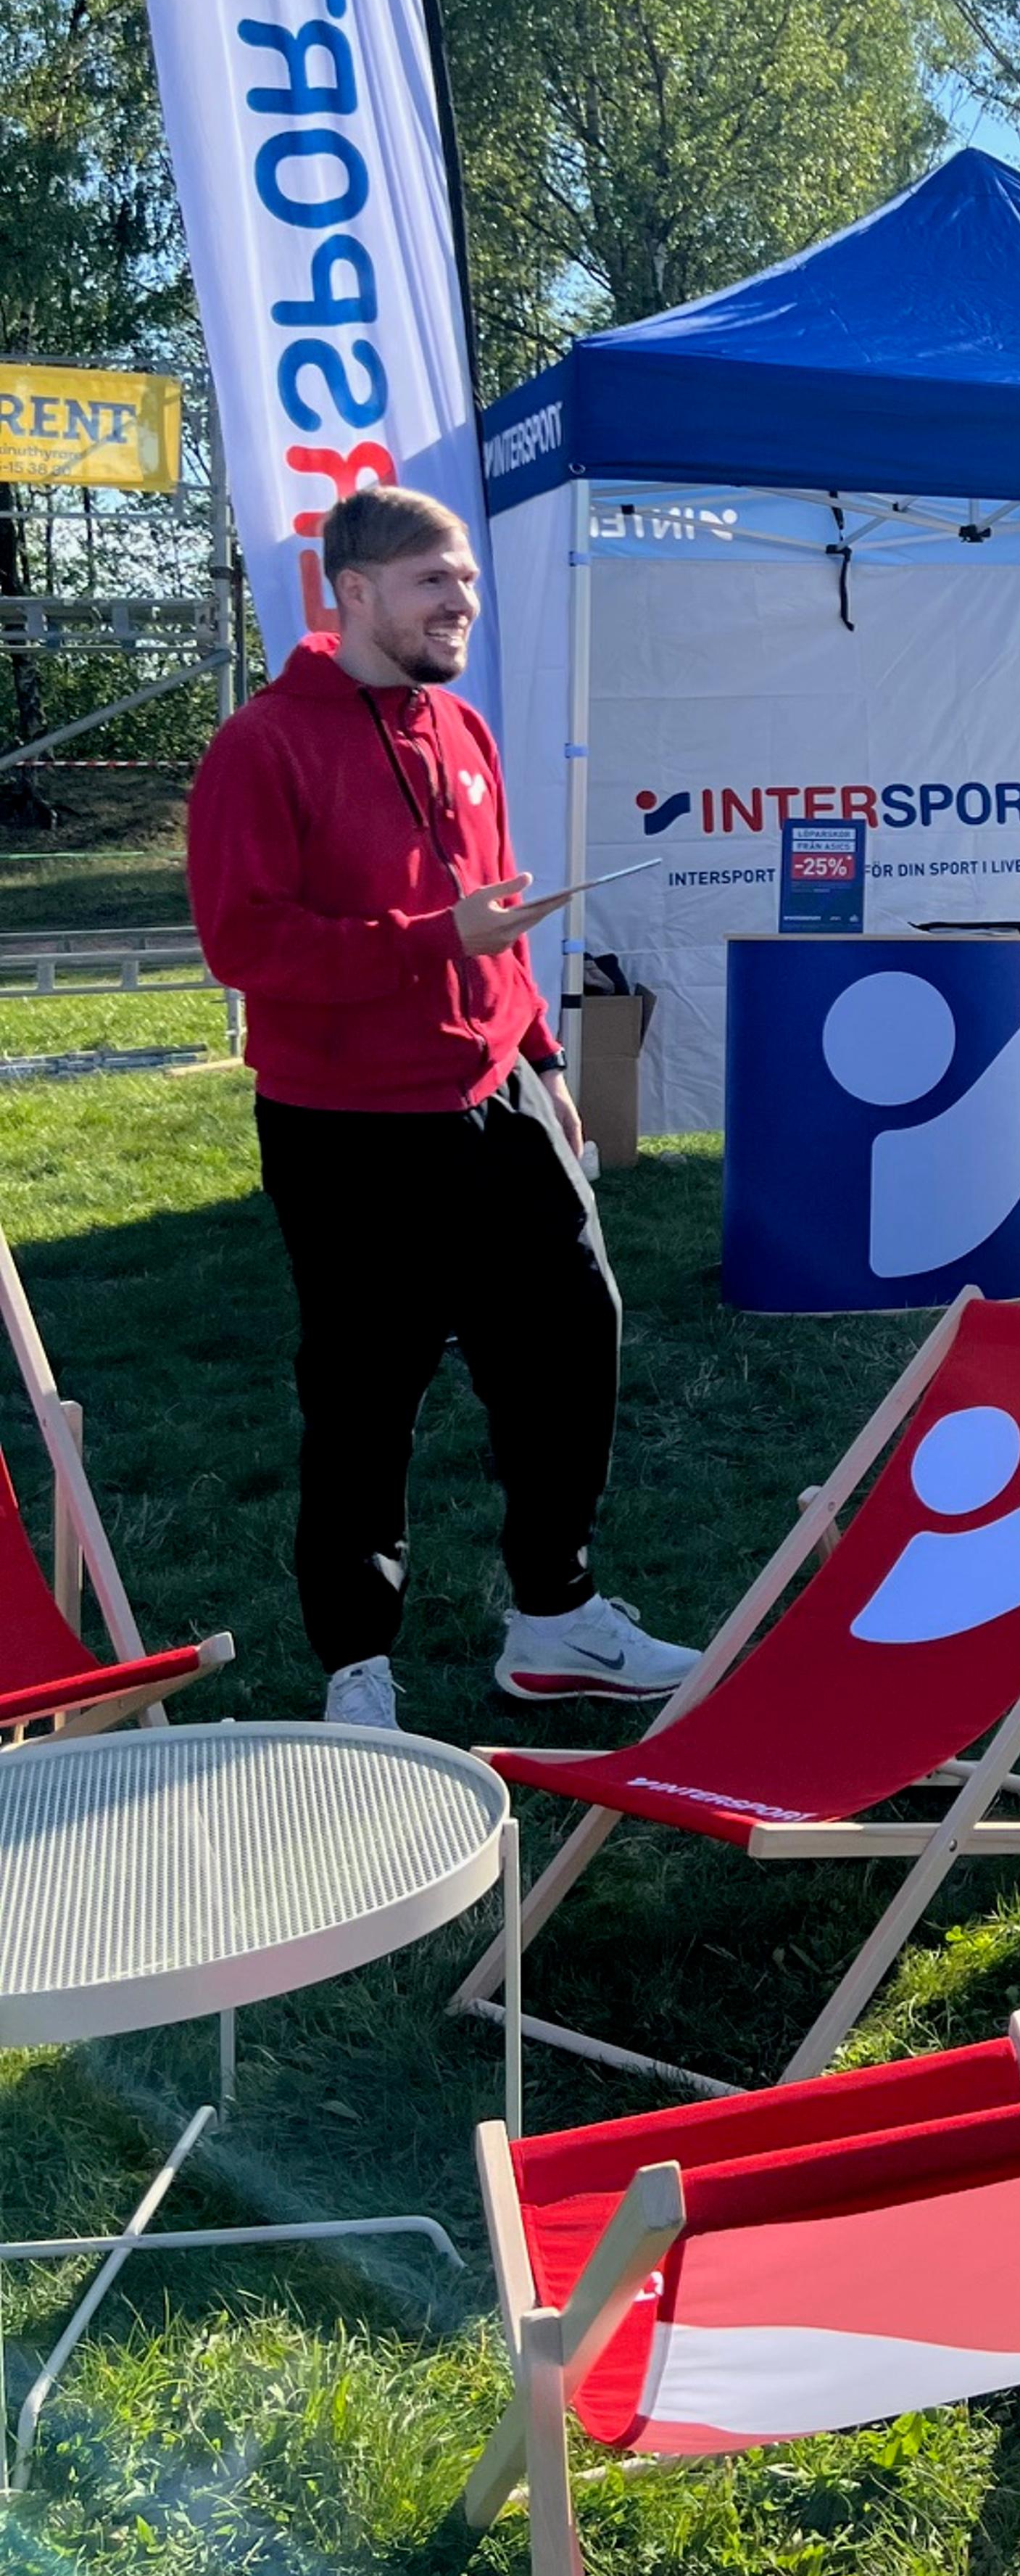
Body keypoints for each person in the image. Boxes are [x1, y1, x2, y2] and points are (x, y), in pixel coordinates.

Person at [187, 487, 698, 1730]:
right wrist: (432, 940)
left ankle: (557, 1620)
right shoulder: (262, 745)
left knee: (572, 1339)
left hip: (500, 1093)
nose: (462, 602)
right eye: (433, 582)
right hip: (348, 1124)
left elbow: (496, 919)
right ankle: (357, 1667)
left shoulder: (463, 726)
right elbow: (245, 945)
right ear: (353, 592)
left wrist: (547, 1063)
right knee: (367, 1392)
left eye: (465, 581)